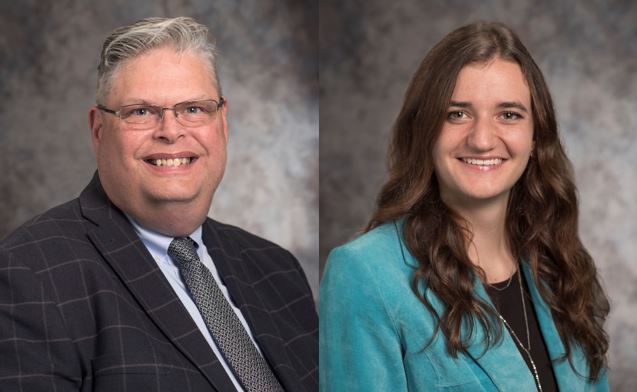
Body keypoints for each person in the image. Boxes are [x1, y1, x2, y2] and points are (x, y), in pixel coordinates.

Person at [0, 17, 317, 392]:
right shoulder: (30, 273)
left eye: (194, 109)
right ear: (99, 131)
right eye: (140, 111)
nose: (170, 130)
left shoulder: (277, 270)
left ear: (223, 123)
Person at [320, 22, 609, 391]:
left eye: (509, 114)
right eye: (457, 114)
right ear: (425, 131)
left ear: (536, 136)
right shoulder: (364, 273)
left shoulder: (561, 267)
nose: (483, 139)